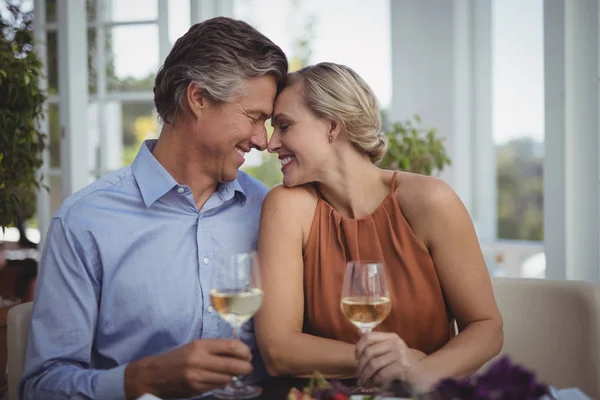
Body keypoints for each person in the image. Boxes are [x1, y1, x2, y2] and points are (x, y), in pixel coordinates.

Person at [20, 17, 287, 400]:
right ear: (198, 98)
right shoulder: (84, 223)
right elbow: (41, 387)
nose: (263, 140)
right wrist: (140, 380)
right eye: (254, 118)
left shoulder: (269, 209)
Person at [254, 62, 503, 392]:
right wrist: (392, 360)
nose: (271, 144)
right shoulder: (286, 207)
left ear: (332, 125)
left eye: (284, 126)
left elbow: (486, 326)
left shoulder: (429, 202)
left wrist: (423, 374)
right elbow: (278, 351)